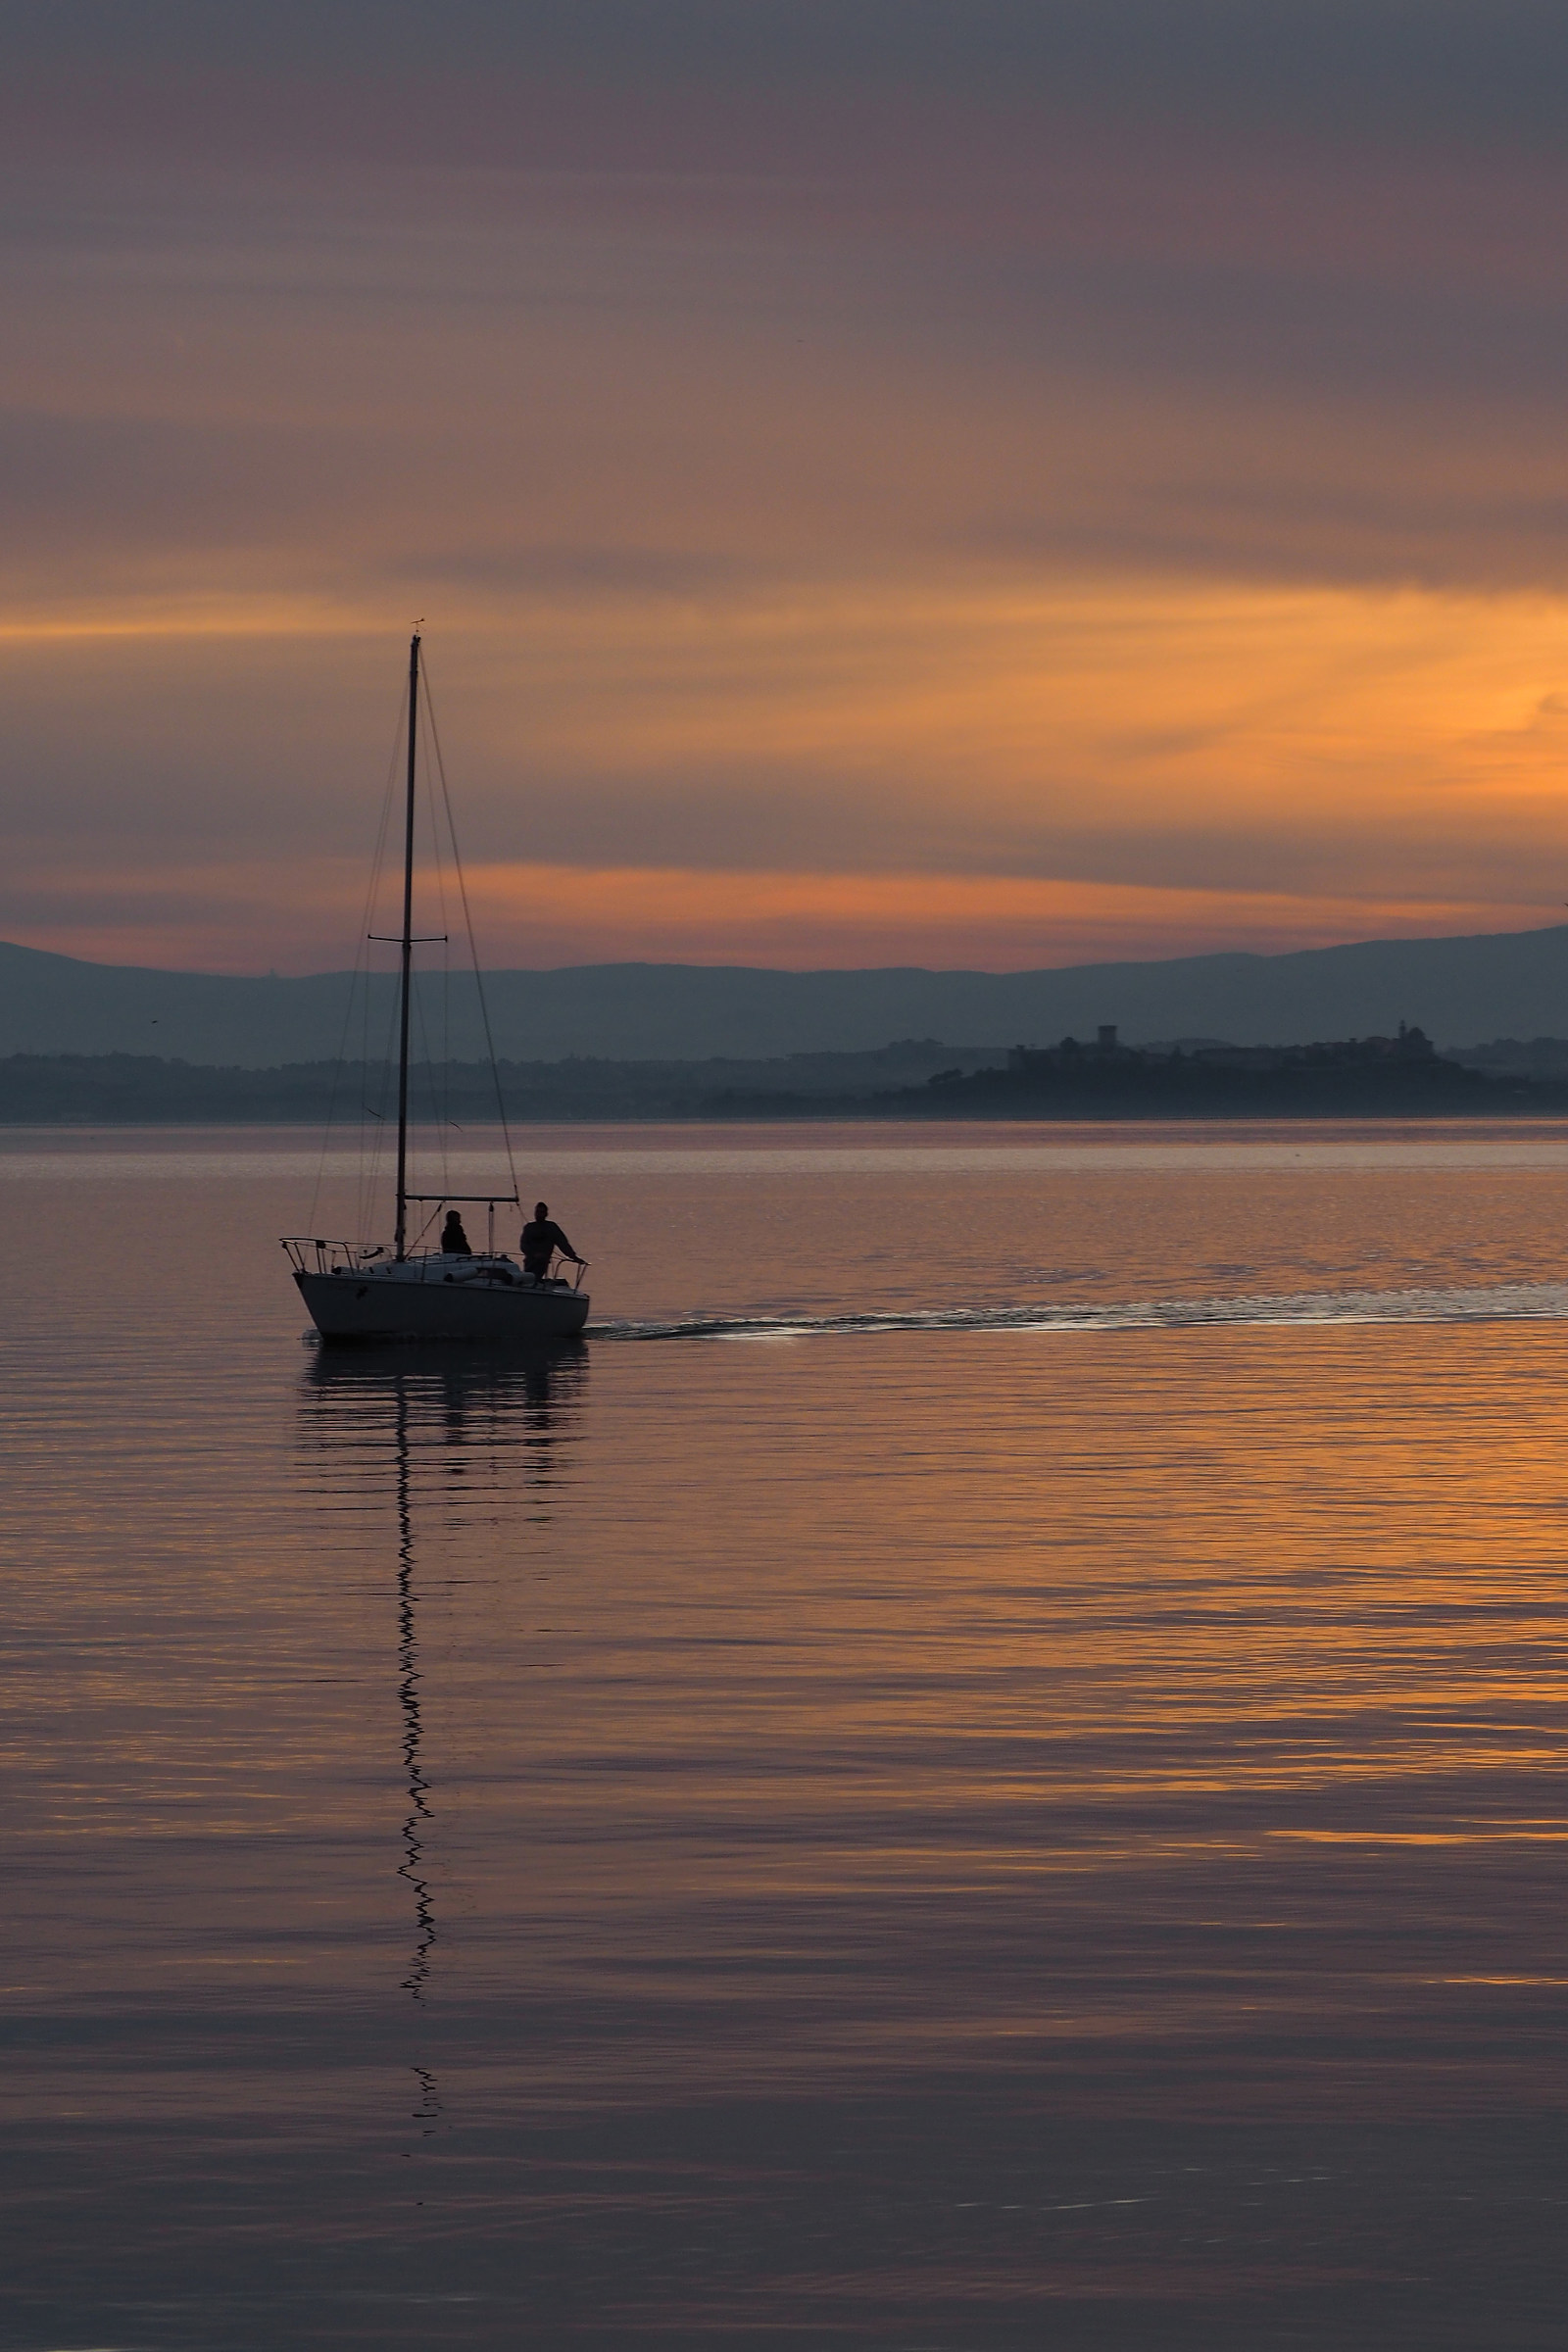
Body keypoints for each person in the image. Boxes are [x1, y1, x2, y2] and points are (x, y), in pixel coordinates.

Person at [520, 1200, 581, 1282]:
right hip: (530, 1261)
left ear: (546, 1214)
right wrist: (534, 1254)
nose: (539, 1214)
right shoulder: (529, 1227)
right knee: (528, 1278)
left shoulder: (551, 1228)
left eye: (542, 1212)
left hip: (543, 1262)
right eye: (537, 1212)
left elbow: (562, 1243)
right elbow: (523, 1245)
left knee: (535, 1277)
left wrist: (573, 1256)